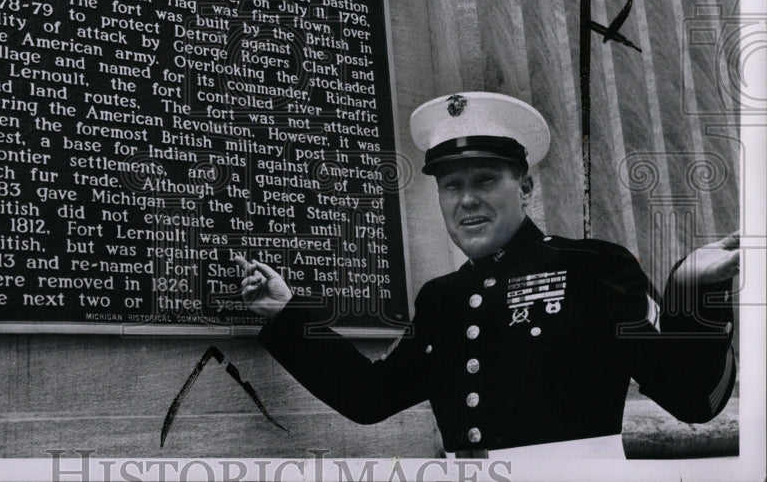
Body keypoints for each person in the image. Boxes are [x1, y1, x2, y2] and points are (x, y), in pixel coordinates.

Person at [237, 92, 739, 458]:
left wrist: (696, 290)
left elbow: (695, 399)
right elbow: (370, 397)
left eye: (485, 179)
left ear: (525, 187)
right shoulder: (442, 299)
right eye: (451, 185)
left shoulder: (594, 267)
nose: (467, 199)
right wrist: (286, 314)